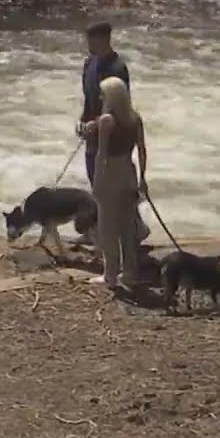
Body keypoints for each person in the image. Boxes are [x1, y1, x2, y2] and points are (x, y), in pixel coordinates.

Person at [77, 21, 150, 243]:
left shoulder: (118, 68)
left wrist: (98, 124)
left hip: (112, 135)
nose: (88, 44)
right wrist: (82, 122)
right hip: (92, 134)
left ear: (103, 39)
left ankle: (133, 230)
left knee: (114, 190)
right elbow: (88, 100)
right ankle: (99, 232)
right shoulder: (89, 63)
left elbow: (119, 105)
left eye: (91, 40)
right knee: (95, 183)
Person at [88, 76, 148, 289]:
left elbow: (101, 155)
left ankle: (110, 274)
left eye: (103, 94)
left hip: (110, 172)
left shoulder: (107, 121)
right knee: (127, 224)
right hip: (128, 171)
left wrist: (97, 180)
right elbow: (141, 150)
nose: (100, 96)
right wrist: (143, 178)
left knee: (107, 226)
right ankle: (130, 272)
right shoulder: (134, 118)